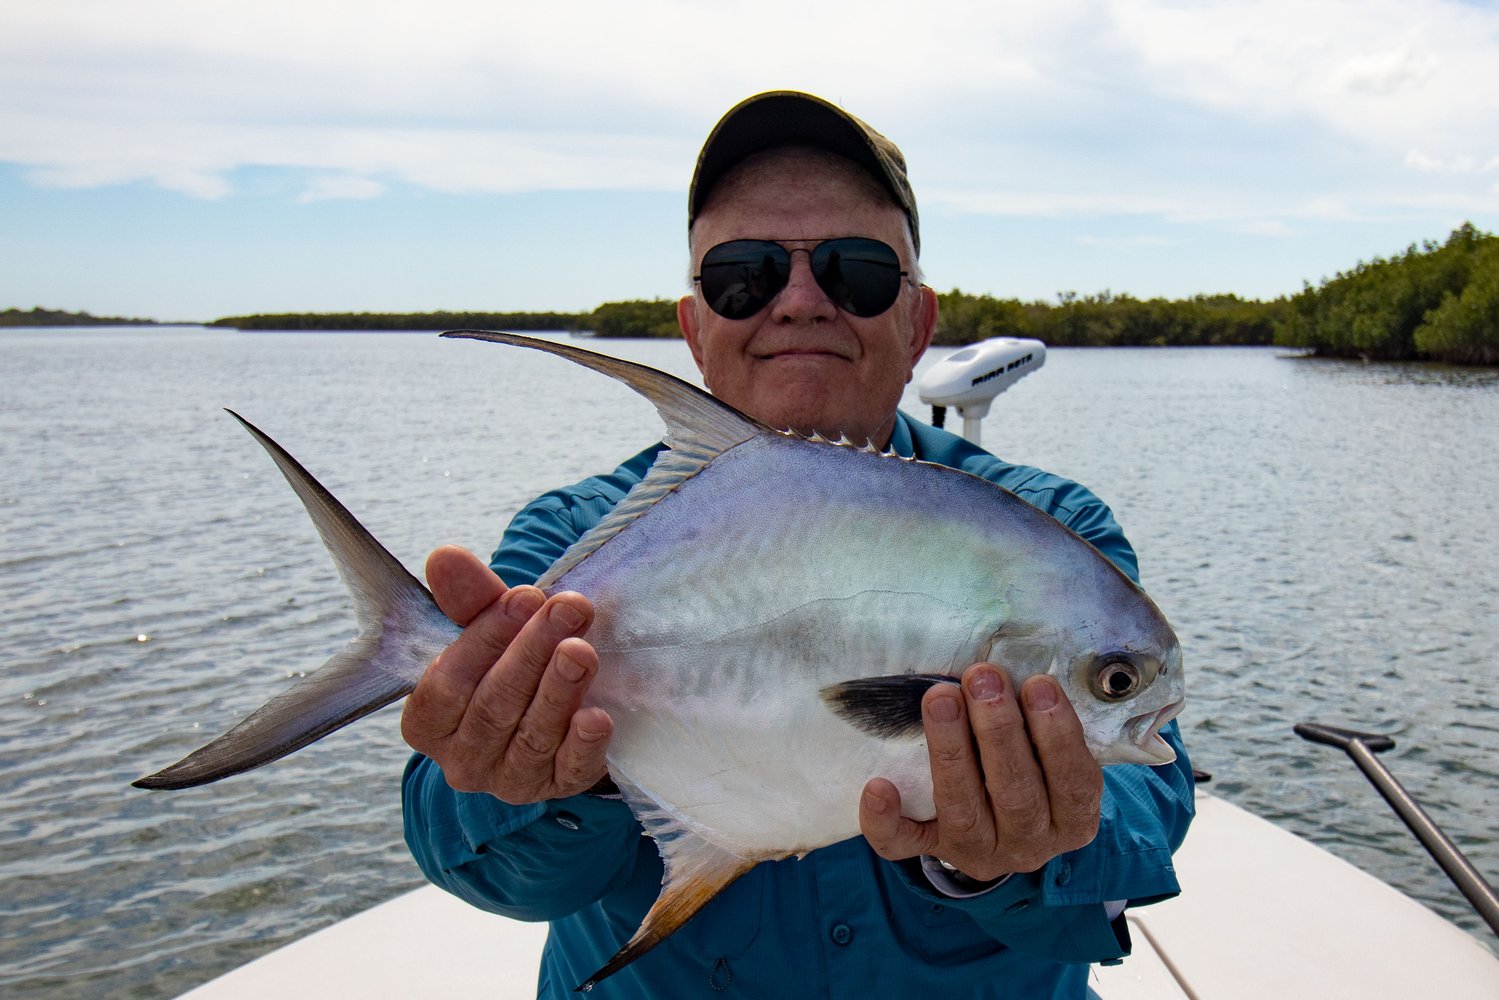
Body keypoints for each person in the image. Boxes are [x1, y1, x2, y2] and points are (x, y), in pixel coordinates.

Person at [400, 91, 1194, 998]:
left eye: (856, 272)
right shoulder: (569, 538)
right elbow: (474, 859)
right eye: (746, 274)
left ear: (917, 325)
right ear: (694, 329)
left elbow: (1148, 816)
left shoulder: (1050, 533)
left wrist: (1019, 849)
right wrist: (529, 776)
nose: (802, 303)